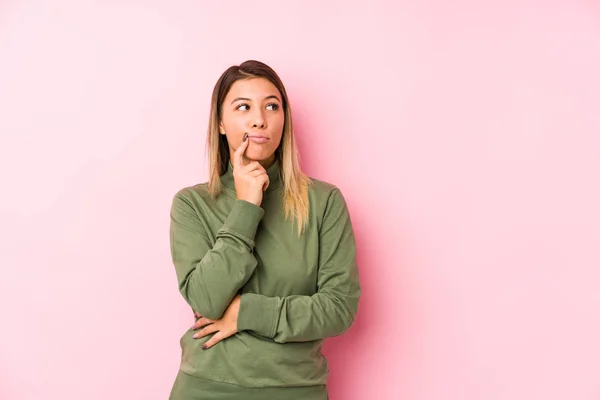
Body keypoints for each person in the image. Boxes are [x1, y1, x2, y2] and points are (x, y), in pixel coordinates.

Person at [168, 60, 361, 400]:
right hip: (207, 387)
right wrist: (246, 206)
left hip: (295, 390)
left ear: (284, 120)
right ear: (221, 124)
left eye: (272, 106)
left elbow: (338, 309)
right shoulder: (192, 204)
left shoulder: (324, 202)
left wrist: (246, 312)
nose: (260, 119)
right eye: (243, 107)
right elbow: (205, 299)